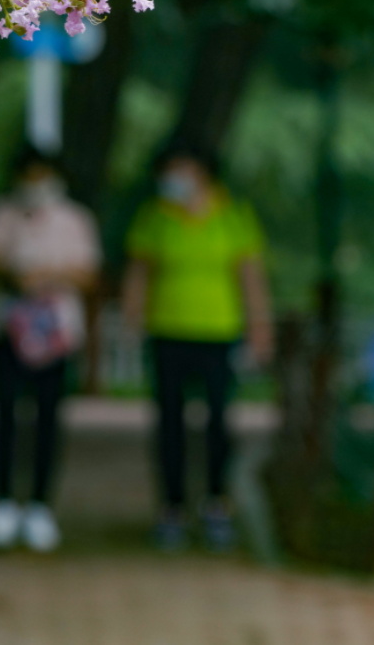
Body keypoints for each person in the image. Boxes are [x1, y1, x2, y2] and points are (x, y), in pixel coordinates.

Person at [122, 145, 273, 551]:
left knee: (218, 421)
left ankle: (216, 504)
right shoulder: (155, 216)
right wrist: (131, 318)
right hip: (168, 330)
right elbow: (140, 271)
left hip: (218, 332)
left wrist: (260, 324)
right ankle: (171, 507)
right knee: (169, 421)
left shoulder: (232, 215)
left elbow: (250, 275)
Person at [0, 148, 101, 552]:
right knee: (7, 415)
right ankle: (3, 502)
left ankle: (40, 505)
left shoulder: (74, 218)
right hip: (8, 330)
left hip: (57, 333)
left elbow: (89, 272)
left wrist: (50, 275)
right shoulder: (3, 213)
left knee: (48, 418)